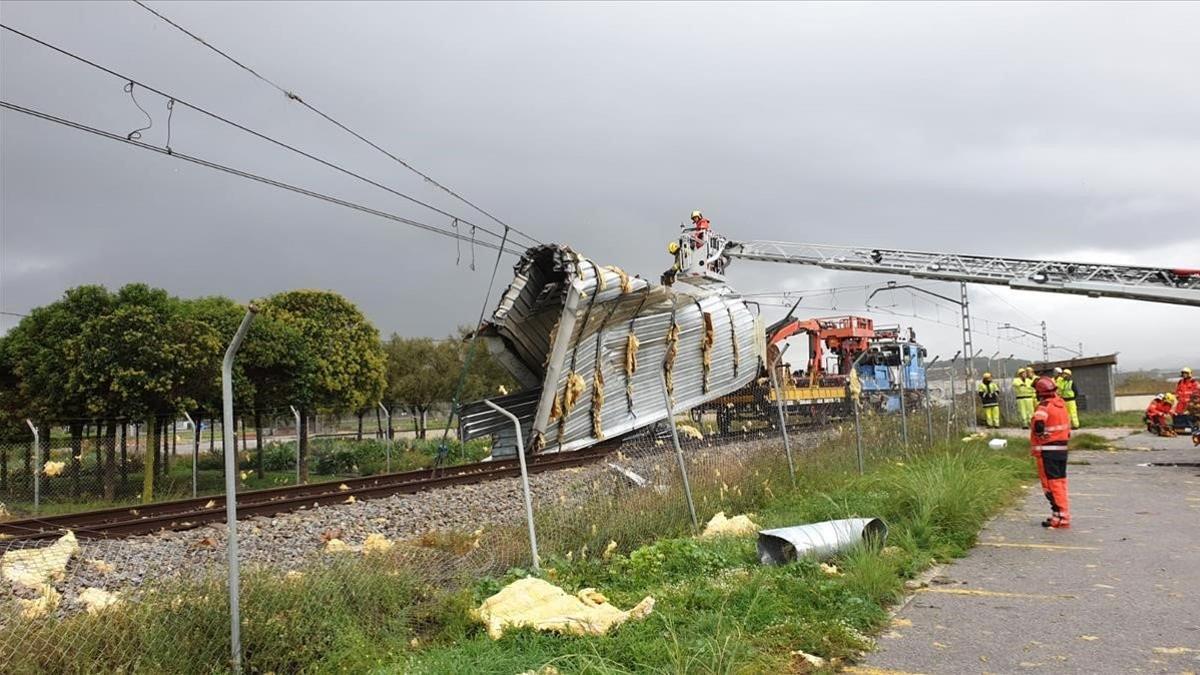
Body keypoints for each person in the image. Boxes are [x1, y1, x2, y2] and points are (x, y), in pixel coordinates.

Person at [1031, 375, 1071, 528]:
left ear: (1040, 392)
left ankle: (1061, 517)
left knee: (1051, 485)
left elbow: (1039, 425)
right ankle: (1059, 515)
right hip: (1062, 449)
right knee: (1060, 483)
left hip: (1048, 450)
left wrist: (1040, 434)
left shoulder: (1044, 406)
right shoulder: (1061, 404)